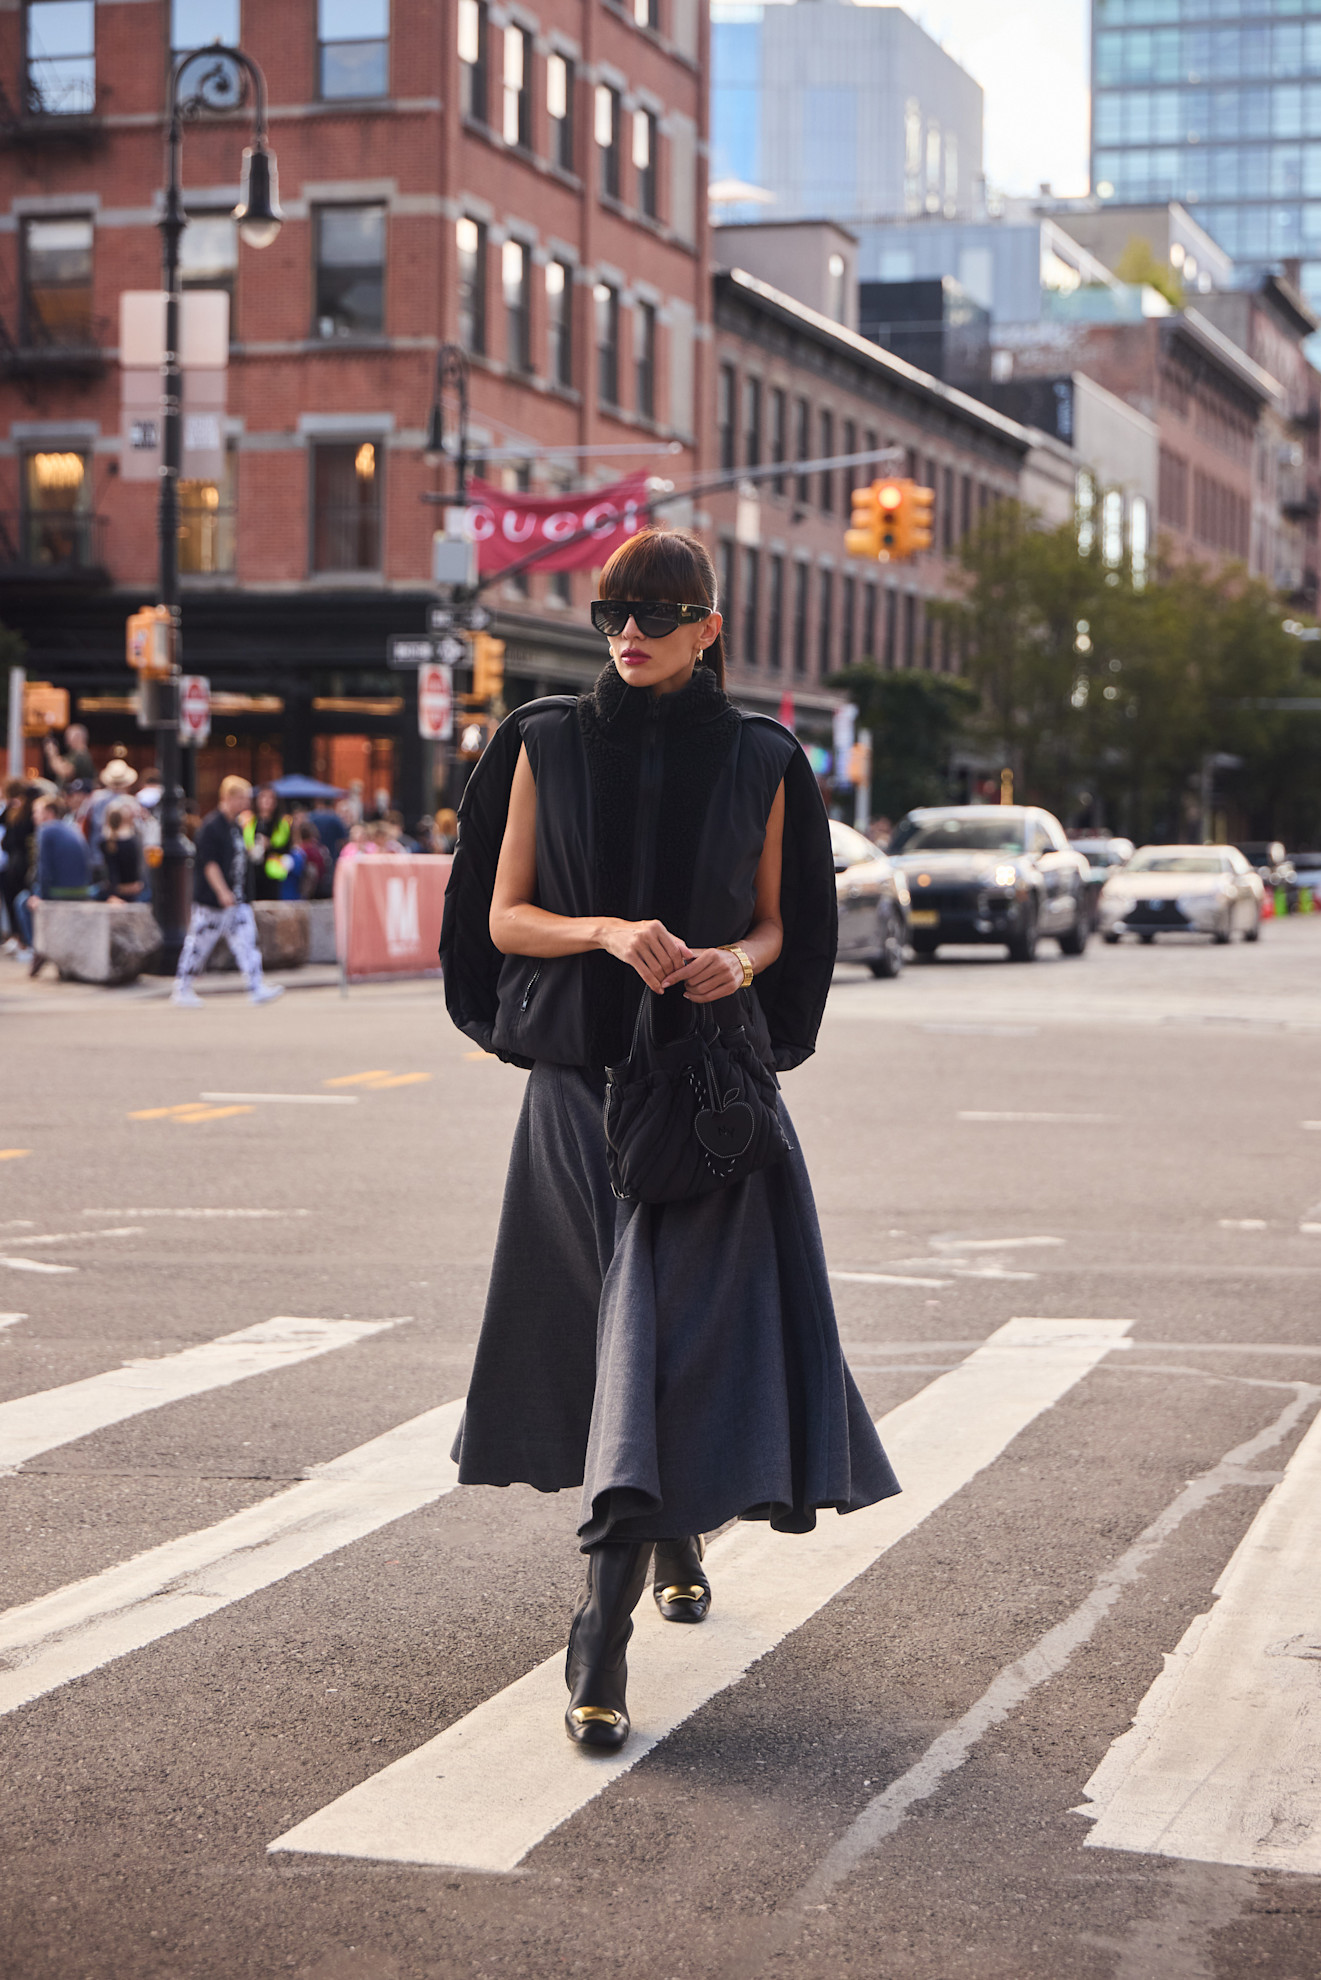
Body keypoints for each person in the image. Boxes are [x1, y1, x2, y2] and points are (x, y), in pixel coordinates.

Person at [441, 528, 899, 1752]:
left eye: (654, 613)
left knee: (658, 1337)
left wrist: (722, 963)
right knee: (613, 1339)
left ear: (708, 630)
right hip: (576, 1091)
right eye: (609, 613)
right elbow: (503, 914)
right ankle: (673, 1535)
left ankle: (601, 1627)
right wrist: (603, 933)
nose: (626, 632)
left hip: (702, 1097)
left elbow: (778, 927)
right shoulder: (542, 738)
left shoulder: (762, 758)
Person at [170, 775, 284, 1008]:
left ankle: (256, 986)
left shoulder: (235, 825)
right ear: (228, 797)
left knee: (247, 942)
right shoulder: (212, 826)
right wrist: (222, 891)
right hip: (214, 901)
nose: (245, 802)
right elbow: (209, 863)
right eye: (241, 797)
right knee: (199, 944)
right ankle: (182, 988)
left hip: (236, 899)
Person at [27, 793, 92, 977]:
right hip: (82, 890)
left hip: (62, 891)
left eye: (36, 811)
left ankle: (40, 948)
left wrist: (41, 897)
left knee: (23, 902)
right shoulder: (70, 827)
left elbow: (44, 869)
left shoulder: (46, 830)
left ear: (48, 812)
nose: (34, 816)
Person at [244, 785, 294, 899]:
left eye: (270, 798)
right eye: (263, 797)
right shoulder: (250, 821)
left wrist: (269, 845)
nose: (266, 801)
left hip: (273, 874)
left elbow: (287, 848)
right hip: (254, 871)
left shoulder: (283, 823)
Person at [97, 804, 145, 902]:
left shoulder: (106, 842)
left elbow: (111, 871)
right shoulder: (133, 841)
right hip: (134, 889)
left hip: (116, 891)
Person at [43, 723, 95, 790]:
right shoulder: (73, 754)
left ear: (77, 737)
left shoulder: (81, 756)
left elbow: (65, 772)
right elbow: (61, 765)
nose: (66, 739)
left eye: (69, 736)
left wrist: (52, 754)